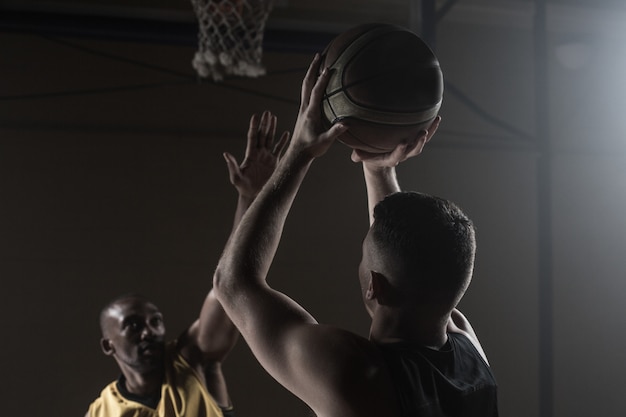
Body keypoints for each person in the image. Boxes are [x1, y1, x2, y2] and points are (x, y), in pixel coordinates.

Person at [212, 54, 498, 417]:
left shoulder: (355, 373)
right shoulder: (472, 358)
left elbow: (233, 283)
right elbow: (405, 258)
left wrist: (300, 151)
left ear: (373, 287)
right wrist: (379, 169)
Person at [86, 111, 289, 417]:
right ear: (108, 345)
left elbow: (230, 285)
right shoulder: (101, 411)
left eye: (156, 321)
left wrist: (250, 198)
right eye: (133, 325)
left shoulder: (193, 357)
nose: (149, 332)